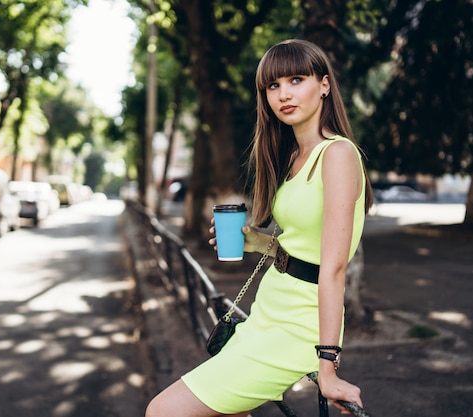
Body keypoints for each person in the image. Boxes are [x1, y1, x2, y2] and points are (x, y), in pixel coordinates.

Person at [145, 38, 374, 417]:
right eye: (272, 85)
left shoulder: (337, 155)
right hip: (269, 306)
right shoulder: (294, 157)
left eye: (296, 79)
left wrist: (328, 367)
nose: (283, 93)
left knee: (163, 411)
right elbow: (302, 246)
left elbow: (332, 268)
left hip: (300, 322)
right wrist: (258, 242)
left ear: (324, 85)